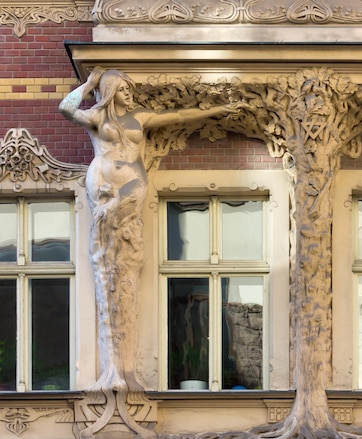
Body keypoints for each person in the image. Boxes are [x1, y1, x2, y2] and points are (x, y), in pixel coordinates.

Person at [59, 68, 242, 392]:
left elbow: (179, 115)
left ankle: (121, 367)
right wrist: (89, 84)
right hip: (104, 182)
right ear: (112, 90)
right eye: (125, 90)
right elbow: (66, 109)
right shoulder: (98, 119)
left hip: (132, 182)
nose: (131, 94)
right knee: (107, 262)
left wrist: (217, 109)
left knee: (124, 260)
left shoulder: (138, 117)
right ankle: (114, 368)